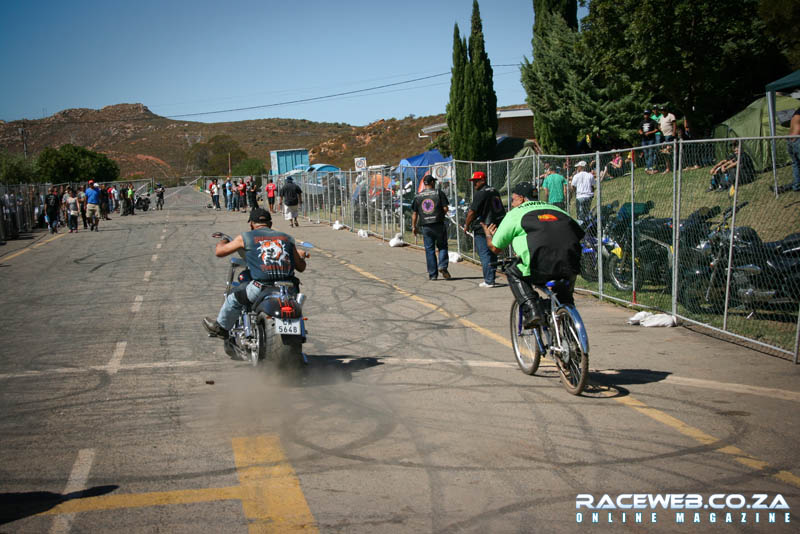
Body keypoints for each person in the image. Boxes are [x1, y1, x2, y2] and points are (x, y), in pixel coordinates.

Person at [482, 182, 585, 328]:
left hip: (539, 266)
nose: (511, 204)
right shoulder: (556, 209)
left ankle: (532, 310)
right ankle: (571, 335)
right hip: (570, 263)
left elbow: (495, 248)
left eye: (513, 200)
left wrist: (488, 235)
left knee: (512, 271)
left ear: (522, 199)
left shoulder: (515, 214)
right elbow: (578, 232)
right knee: (564, 299)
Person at [203, 208, 308, 339]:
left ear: (251, 224)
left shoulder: (245, 237)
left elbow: (220, 252)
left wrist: (223, 240)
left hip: (261, 287)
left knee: (233, 298)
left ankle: (221, 328)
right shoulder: (286, 238)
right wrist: (301, 257)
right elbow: (301, 267)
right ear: (270, 223)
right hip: (289, 289)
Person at [463, 171, 506, 288]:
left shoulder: (480, 194)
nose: (474, 184)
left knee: (484, 253)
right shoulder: (494, 191)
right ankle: (490, 278)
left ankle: (489, 280)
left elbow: (472, 212)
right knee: (492, 252)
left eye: (476, 181)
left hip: (483, 227)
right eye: (473, 182)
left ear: (483, 180)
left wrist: (467, 225)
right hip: (495, 226)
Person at [411, 174, 451, 280]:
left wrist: (414, 227)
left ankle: (433, 275)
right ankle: (442, 265)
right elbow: (446, 208)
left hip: (426, 226)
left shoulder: (418, 196)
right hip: (438, 224)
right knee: (442, 246)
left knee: (429, 250)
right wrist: (440, 213)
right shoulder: (439, 193)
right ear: (432, 183)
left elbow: (414, 213)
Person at [789, 107, 800, 192]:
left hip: (790, 140)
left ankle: (797, 185)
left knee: (795, 164)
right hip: (797, 139)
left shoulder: (796, 113)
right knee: (796, 164)